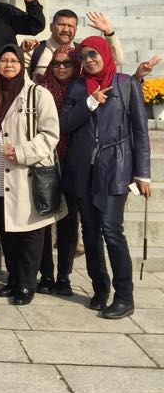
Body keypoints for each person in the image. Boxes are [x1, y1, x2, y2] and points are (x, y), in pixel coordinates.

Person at [60, 36, 151, 320]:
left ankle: (124, 296)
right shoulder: (78, 86)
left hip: (116, 166)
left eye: (93, 54)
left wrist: (143, 174)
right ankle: (100, 289)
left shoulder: (125, 83)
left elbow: (140, 131)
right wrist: (89, 102)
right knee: (89, 230)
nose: (88, 60)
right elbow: (65, 124)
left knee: (111, 229)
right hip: (83, 168)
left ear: (104, 54)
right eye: (83, 57)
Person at [0, 44, 62, 306]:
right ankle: (13, 279)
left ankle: (27, 284)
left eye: (14, 61)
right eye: (4, 60)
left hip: (26, 170)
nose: (8, 65)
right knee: (6, 228)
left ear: (22, 65)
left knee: (30, 232)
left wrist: (21, 152)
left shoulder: (38, 94)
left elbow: (50, 135)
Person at [34, 46, 81, 296]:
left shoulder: (82, 88)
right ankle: (46, 274)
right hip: (47, 160)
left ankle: (64, 276)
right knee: (44, 218)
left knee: (69, 222)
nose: (61, 67)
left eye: (67, 63)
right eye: (56, 63)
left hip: (73, 161)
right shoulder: (41, 86)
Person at [24, 9, 123, 78]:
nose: (66, 29)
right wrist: (22, 50)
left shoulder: (82, 52)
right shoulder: (35, 50)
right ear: (51, 27)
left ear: (76, 30)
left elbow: (116, 60)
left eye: (70, 26)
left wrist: (109, 32)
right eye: (61, 25)